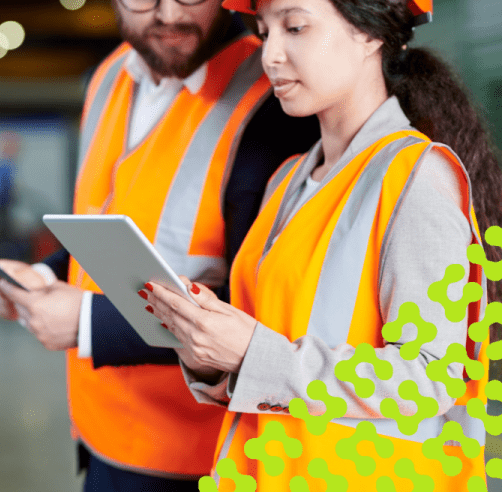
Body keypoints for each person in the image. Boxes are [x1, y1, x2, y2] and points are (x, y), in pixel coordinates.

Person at [142, 0, 502, 489]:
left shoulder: (417, 179)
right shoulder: (287, 180)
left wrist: (253, 351)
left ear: (371, 34)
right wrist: (209, 353)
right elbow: (275, 347)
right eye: (265, 32)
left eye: (295, 27)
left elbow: (430, 380)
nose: (271, 55)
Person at [0, 0, 318, 489]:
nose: (168, 13)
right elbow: (106, 223)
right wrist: (44, 275)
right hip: (102, 437)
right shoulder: (109, 77)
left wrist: (88, 322)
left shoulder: (274, 103)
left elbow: (260, 310)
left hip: (201, 456)